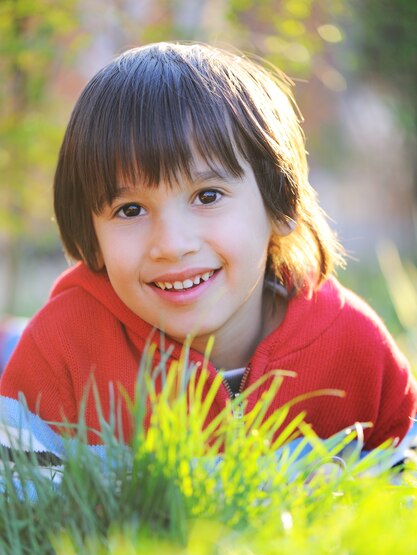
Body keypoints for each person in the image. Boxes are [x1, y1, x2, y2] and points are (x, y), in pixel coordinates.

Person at [1, 42, 416, 451]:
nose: (172, 245)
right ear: (91, 234)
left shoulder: (354, 345)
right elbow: (20, 493)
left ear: (280, 202)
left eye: (207, 196)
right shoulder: (61, 351)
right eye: (130, 209)